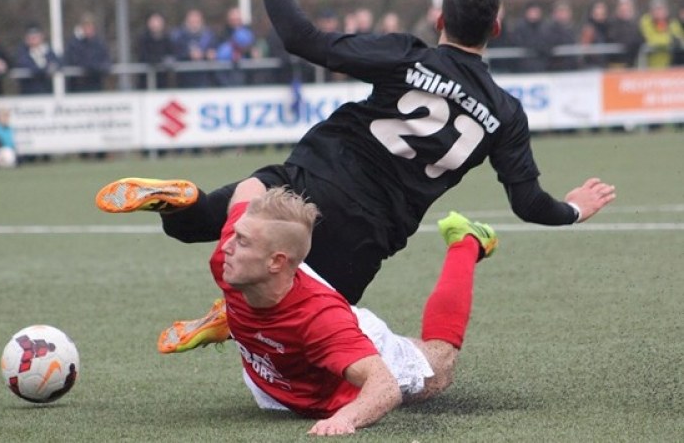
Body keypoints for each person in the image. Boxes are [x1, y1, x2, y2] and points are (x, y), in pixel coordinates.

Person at [96, 0, 616, 348]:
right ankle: (232, 319)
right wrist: (573, 210)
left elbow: (303, 39)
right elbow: (529, 204)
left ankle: (179, 201)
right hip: (370, 228)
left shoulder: (404, 55)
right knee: (302, 327)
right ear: (496, 29)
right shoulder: (505, 113)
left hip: (314, 174)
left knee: (197, 222)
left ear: (439, 19)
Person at [156, 179, 499, 435]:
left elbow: (384, 386)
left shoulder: (321, 320)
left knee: (439, 363)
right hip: (276, 374)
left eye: (242, 241)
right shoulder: (230, 260)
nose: (227, 246)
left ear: (276, 261)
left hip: (321, 360)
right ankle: (236, 320)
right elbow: (250, 185)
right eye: (236, 234)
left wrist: (346, 418)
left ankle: (465, 241)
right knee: (440, 363)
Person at [63, 13, 112, 93]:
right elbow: (75, 61)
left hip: (96, 85)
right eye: (86, 26)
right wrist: (92, 66)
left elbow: (107, 61)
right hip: (78, 87)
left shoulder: (99, 44)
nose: (88, 29)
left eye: (90, 26)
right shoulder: (74, 44)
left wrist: (101, 67)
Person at [14, 24, 61, 95]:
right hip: (29, 92)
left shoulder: (48, 51)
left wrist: (53, 67)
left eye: (36, 37)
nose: (33, 39)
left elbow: (58, 62)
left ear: (42, 37)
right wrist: (45, 70)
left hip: (48, 91)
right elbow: (27, 66)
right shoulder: (22, 52)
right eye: (31, 37)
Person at [136, 11, 175, 89]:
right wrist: (159, 60)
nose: (156, 24)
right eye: (153, 21)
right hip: (145, 80)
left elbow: (172, 54)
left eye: (158, 21)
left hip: (163, 80)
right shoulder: (143, 39)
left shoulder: (167, 38)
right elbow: (143, 56)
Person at [606, 0, 644, 68]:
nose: (625, 13)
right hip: (616, 63)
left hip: (631, 63)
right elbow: (614, 38)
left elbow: (641, 39)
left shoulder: (635, 25)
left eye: (627, 10)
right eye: (622, 10)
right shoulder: (612, 24)